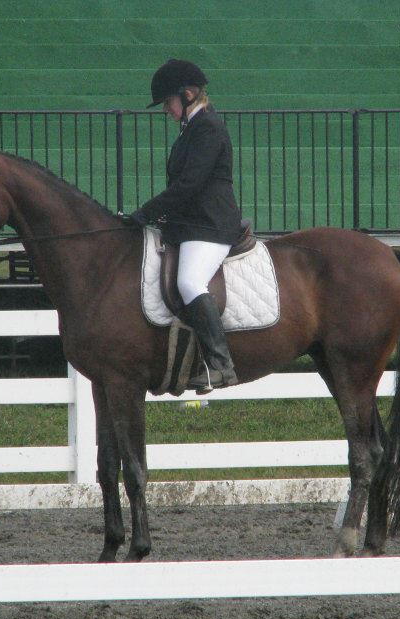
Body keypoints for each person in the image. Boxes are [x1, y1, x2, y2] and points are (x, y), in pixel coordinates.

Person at [126, 59, 243, 393]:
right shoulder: (190, 128)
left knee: (190, 281)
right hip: (191, 224)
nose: (166, 109)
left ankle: (222, 364)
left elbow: (189, 185)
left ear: (188, 94)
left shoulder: (208, 128)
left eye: (168, 102)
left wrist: (146, 212)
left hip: (211, 225)